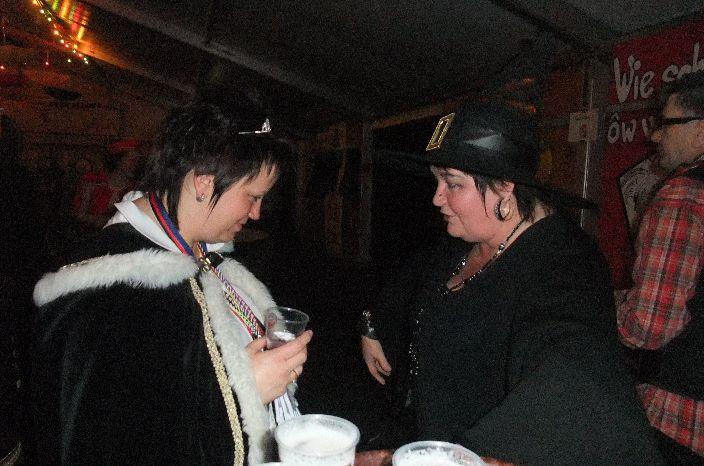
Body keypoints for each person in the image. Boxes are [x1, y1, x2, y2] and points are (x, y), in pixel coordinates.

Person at [360, 102, 663, 464]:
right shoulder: (464, 239)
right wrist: (373, 322)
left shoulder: (565, 263)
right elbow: (415, 278)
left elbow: (573, 371)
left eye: (452, 184)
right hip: (422, 438)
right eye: (438, 181)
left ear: (505, 186)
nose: (437, 197)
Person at [30, 93, 312, 465]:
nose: (257, 213)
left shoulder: (201, 255)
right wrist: (243, 391)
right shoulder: (108, 298)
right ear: (204, 183)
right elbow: (114, 444)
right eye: (252, 196)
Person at [617, 70, 704, 464]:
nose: (654, 135)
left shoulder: (683, 197)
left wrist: (601, 313)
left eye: (666, 124)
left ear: (700, 131)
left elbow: (650, 325)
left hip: (680, 418)